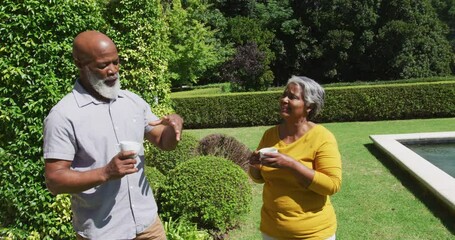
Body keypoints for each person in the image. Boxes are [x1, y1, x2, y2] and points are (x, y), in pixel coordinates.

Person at [43, 30, 183, 239]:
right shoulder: (64, 115)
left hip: (148, 225)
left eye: (116, 62)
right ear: (80, 63)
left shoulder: (132, 102)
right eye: (103, 65)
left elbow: (164, 141)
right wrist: (105, 173)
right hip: (103, 232)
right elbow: (55, 180)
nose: (113, 70)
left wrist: (174, 127)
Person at [249, 76, 342, 240]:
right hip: (272, 231)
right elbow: (259, 179)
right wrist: (255, 167)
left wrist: (291, 164)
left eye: (292, 97)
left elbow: (331, 185)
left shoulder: (322, 137)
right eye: (284, 95)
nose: (284, 100)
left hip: (312, 234)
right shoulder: (270, 135)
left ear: (309, 106)